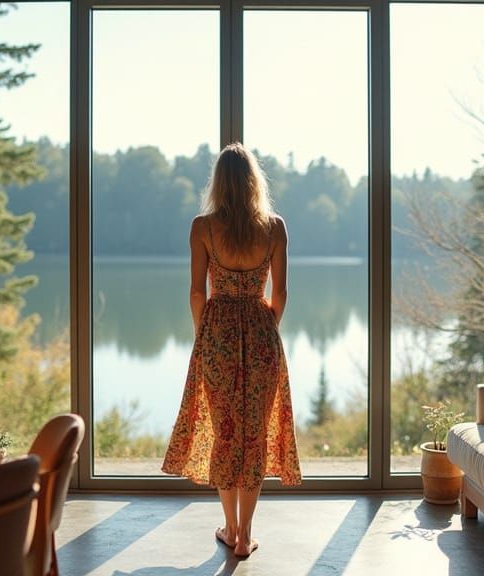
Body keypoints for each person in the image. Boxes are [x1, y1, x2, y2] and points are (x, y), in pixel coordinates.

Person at [162, 142, 302, 557]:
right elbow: (281, 293)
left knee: (225, 432)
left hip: (217, 332)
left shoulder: (202, 227)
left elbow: (196, 292)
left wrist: (204, 333)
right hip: (261, 332)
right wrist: (265, 327)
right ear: (254, 181)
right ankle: (245, 535)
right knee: (253, 434)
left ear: (218, 183)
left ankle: (229, 526)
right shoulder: (275, 227)